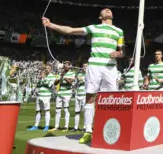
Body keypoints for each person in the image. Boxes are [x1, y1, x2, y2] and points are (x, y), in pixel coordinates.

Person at [42, 8, 124, 144]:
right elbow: (70, 30)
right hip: (95, 66)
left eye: (109, 10)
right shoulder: (94, 28)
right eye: (104, 10)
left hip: (110, 68)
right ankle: (88, 131)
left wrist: (118, 54)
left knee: (111, 100)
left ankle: (108, 129)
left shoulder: (119, 31)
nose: (108, 10)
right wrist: (50, 25)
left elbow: (122, 51)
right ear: (100, 16)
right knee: (90, 97)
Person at [29, 65, 54, 131]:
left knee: (46, 110)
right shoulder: (43, 76)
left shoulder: (52, 76)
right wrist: (42, 79)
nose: (46, 69)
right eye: (46, 68)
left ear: (51, 69)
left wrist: (44, 78)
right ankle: (36, 125)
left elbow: (49, 85)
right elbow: (38, 85)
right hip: (40, 95)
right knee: (38, 111)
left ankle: (46, 126)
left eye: (48, 68)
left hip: (46, 96)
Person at [51, 62, 75, 131]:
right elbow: (55, 83)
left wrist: (64, 76)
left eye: (67, 65)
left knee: (66, 109)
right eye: (64, 65)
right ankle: (56, 126)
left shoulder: (72, 73)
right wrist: (60, 77)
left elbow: (70, 82)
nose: (65, 66)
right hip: (60, 93)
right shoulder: (60, 73)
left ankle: (66, 126)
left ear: (69, 66)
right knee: (57, 110)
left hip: (67, 93)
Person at [72, 64, 87, 131]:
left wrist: (83, 80)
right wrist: (77, 80)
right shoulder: (79, 74)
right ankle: (75, 127)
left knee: (85, 112)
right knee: (77, 112)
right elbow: (74, 85)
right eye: (83, 66)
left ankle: (85, 127)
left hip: (85, 95)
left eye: (86, 66)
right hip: (78, 95)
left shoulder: (90, 75)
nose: (84, 68)